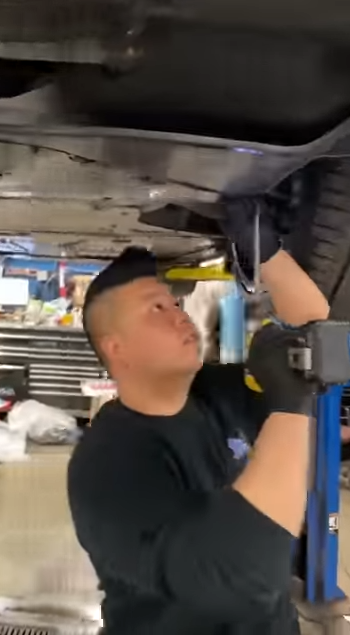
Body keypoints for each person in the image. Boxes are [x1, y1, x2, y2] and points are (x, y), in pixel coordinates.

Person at [67, 200, 330, 635]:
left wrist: (267, 254)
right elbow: (242, 578)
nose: (181, 317)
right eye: (156, 310)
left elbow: (316, 331)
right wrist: (288, 406)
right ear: (117, 349)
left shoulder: (216, 391)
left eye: (174, 305)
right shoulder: (108, 463)